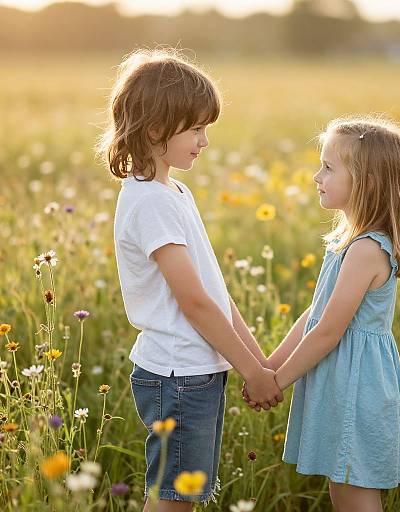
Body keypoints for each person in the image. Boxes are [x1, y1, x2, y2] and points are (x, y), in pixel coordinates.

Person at [98, 48, 283, 512]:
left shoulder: (173, 191)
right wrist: (251, 372)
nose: (204, 142)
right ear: (157, 129)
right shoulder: (151, 203)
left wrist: (260, 365)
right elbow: (195, 303)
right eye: (196, 129)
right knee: (175, 500)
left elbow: (215, 292)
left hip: (194, 371)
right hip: (179, 374)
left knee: (182, 495)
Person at [244, 116, 400, 512]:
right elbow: (316, 314)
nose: (317, 176)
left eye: (328, 168)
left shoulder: (367, 249)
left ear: (368, 182)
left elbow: (328, 332)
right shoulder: (347, 243)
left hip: (356, 386)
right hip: (341, 379)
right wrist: (267, 366)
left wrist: (277, 382)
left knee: (355, 492)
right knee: (342, 488)